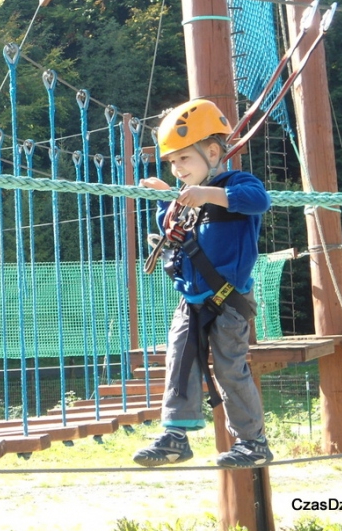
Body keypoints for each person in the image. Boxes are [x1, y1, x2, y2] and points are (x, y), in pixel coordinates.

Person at [132, 98, 274, 468]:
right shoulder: (184, 197)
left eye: (185, 159)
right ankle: (175, 436)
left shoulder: (236, 184)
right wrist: (167, 199)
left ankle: (253, 441)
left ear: (212, 152)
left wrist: (208, 194)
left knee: (229, 367)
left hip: (228, 300)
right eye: (173, 162)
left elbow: (259, 200)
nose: (178, 169)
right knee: (179, 361)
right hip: (190, 299)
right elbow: (174, 231)